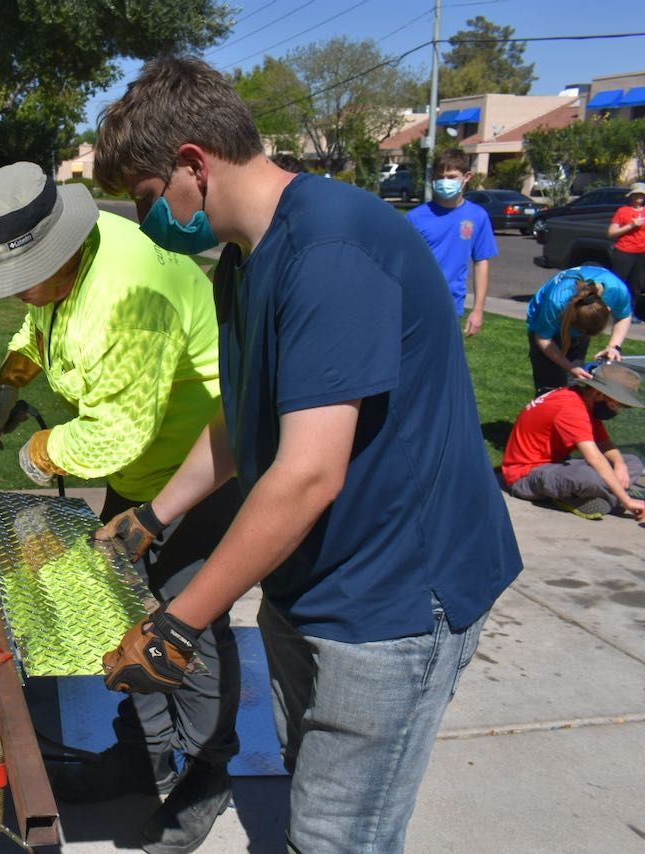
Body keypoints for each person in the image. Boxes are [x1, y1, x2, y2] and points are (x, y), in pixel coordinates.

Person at [91, 56, 522, 854]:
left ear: (193, 164)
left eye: (149, 199)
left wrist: (175, 626)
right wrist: (155, 514)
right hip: (317, 581)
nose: (150, 220)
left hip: (395, 595)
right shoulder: (242, 262)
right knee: (308, 791)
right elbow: (242, 415)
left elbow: (308, 472)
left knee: (336, 837)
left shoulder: (330, 247)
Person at [0, 161, 243, 853]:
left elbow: (114, 434)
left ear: (59, 247)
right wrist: (13, 373)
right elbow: (39, 321)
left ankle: (204, 774)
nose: (16, 292)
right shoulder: (64, 265)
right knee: (124, 608)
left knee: (185, 628)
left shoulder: (127, 296)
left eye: (20, 275)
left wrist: (40, 452)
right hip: (143, 470)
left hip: (199, 473)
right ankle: (142, 753)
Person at [502, 363, 645, 520]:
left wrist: (619, 464)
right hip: (524, 475)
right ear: (598, 393)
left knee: (632, 462)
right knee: (589, 476)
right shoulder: (571, 408)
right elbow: (594, 458)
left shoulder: (585, 401)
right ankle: (610, 498)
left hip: (556, 465)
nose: (616, 411)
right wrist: (627, 501)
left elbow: (604, 444)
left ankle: (596, 496)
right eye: (616, 404)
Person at [406, 148, 498, 336]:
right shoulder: (415, 218)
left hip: (451, 305)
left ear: (467, 177)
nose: (445, 182)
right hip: (416, 304)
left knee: (444, 363)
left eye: (451, 176)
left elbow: (481, 263)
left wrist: (478, 310)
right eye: (440, 177)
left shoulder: (477, 216)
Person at [526, 265, 632, 395]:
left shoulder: (617, 291)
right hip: (544, 323)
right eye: (581, 331)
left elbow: (624, 316)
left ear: (608, 309)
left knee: (572, 385)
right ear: (573, 321)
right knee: (549, 389)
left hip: (576, 317)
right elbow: (543, 338)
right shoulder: (556, 302)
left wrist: (614, 347)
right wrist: (569, 366)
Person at [607, 182, 645, 319]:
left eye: (642, 194)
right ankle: (613, 311)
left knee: (636, 285)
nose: (639, 197)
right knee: (619, 282)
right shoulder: (623, 211)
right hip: (624, 251)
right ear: (632, 196)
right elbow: (611, 233)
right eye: (637, 194)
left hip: (641, 253)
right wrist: (631, 225)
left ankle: (630, 312)